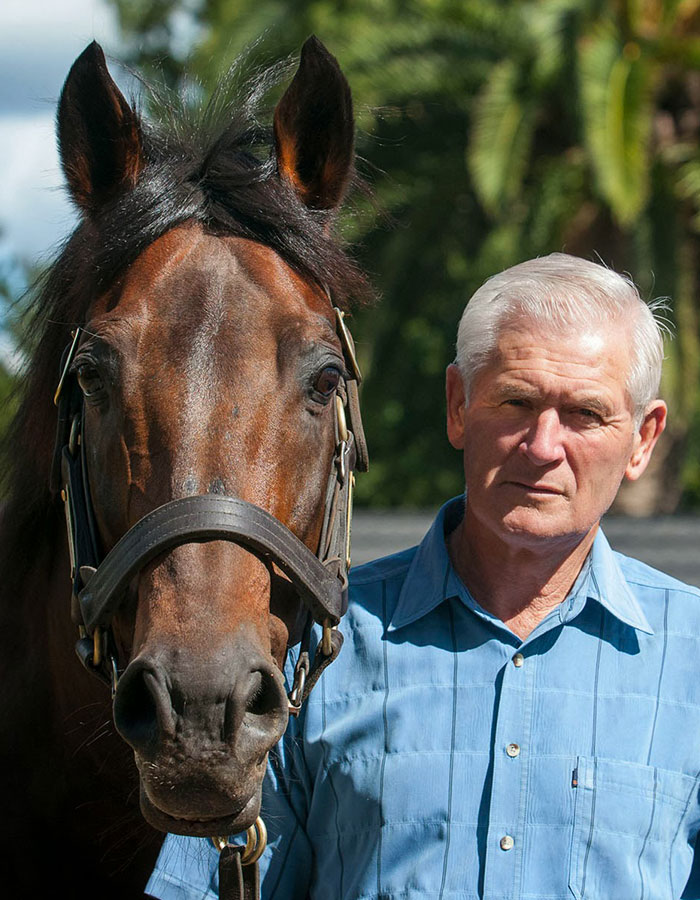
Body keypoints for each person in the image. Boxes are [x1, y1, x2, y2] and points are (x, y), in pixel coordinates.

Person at [147, 253, 700, 900]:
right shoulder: (311, 644)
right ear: (458, 406)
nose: (544, 445)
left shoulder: (691, 659)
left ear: (642, 438)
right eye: (516, 402)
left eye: (585, 414)